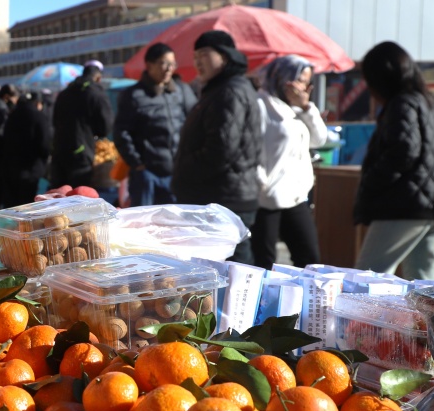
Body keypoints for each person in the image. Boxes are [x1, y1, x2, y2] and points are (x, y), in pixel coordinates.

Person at [171, 31, 262, 264]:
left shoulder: (229, 91)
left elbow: (220, 151)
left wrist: (185, 171)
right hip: (219, 195)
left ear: (225, 56)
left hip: (224, 200)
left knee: (235, 274)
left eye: (204, 54)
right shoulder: (218, 90)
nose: (197, 62)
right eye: (195, 56)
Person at [355, 42, 434, 280]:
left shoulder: (402, 104)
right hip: (430, 206)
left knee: (367, 278)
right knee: (423, 284)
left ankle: (364, 320)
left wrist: (371, 181)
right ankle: (428, 320)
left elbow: (403, 151)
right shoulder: (429, 101)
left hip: (402, 206)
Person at [250, 55, 327, 269]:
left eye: (307, 82)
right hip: (266, 197)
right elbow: (251, 147)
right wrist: (261, 182)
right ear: (285, 78)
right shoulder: (260, 104)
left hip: (296, 196)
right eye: (301, 80)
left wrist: (306, 108)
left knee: (309, 259)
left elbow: (319, 139)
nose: (304, 87)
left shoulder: (296, 108)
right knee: (262, 263)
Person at [114, 43, 197, 206]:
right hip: (146, 174)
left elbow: (194, 124)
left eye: (172, 64)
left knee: (175, 225)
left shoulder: (180, 91)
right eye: (164, 63)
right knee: (144, 224)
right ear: (149, 65)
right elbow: (121, 132)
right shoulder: (133, 95)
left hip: (176, 173)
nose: (168, 69)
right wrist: (137, 163)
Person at [51, 64, 113, 189]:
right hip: (81, 154)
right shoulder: (96, 94)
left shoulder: (64, 93)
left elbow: (54, 121)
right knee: (79, 197)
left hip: (59, 152)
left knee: (59, 195)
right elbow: (105, 126)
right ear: (98, 78)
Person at [2, 92, 52, 207]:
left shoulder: (12, 115)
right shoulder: (39, 117)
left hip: (11, 167)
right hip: (31, 168)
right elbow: (44, 144)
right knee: (28, 204)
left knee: (13, 205)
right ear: (37, 103)